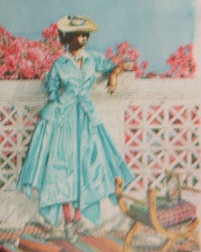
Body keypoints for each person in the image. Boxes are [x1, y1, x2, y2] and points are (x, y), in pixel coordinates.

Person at [16, 17, 130, 238]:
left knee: (85, 166)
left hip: (86, 117)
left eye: (86, 34)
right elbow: (51, 90)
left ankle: (78, 220)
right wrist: (54, 112)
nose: (84, 38)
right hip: (64, 118)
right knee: (62, 168)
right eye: (80, 34)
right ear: (68, 38)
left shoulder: (92, 59)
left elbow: (117, 64)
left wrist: (114, 75)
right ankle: (68, 221)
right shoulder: (59, 64)